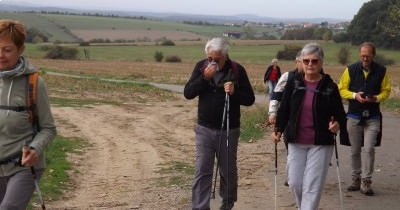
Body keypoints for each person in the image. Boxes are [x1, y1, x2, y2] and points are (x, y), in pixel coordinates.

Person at [272, 43, 348, 210]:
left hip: (321, 142)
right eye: (306, 61)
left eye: (314, 61)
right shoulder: (294, 83)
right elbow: (284, 109)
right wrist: (278, 130)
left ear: (321, 62)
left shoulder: (330, 86)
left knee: (312, 186)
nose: (310, 65)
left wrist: (337, 124)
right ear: (301, 61)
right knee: (295, 183)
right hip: (295, 140)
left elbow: (340, 114)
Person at [184, 37, 255, 210]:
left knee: (228, 169)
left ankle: (228, 201)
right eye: (210, 58)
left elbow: (250, 99)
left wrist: (234, 92)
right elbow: (188, 93)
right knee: (202, 169)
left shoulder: (237, 70)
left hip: (229, 129)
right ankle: (200, 206)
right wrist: (204, 78)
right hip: (204, 128)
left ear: (226, 55)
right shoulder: (201, 67)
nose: (213, 62)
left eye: (217, 59)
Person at [0, 19, 57, 209]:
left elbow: (48, 129)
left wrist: (34, 149)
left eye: (7, 50)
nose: (1, 55)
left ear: (20, 50)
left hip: (23, 167)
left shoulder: (33, 83)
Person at [338, 42, 391, 196]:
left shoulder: (382, 71)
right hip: (354, 116)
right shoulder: (350, 69)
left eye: (368, 55)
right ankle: (355, 179)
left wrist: (377, 98)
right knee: (354, 151)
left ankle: (366, 182)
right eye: (362, 55)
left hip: (373, 117)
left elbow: (386, 90)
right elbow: (341, 89)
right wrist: (355, 95)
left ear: (373, 55)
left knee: (369, 149)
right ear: (359, 55)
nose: (365, 58)